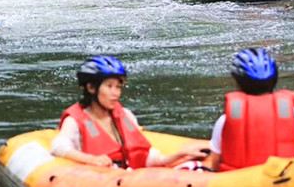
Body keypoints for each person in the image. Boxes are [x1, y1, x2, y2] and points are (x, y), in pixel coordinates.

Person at [51, 56, 208, 168]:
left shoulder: (125, 115)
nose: (116, 93)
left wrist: (180, 155)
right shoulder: (75, 120)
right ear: (91, 88)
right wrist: (92, 159)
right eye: (109, 86)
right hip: (97, 179)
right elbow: (59, 147)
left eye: (118, 87)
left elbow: (146, 157)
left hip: (127, 178)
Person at [205, 47, 294, 172]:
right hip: (289, 179)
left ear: (238, 82)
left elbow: (214, 160)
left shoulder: (226, 120)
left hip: (239, 184)